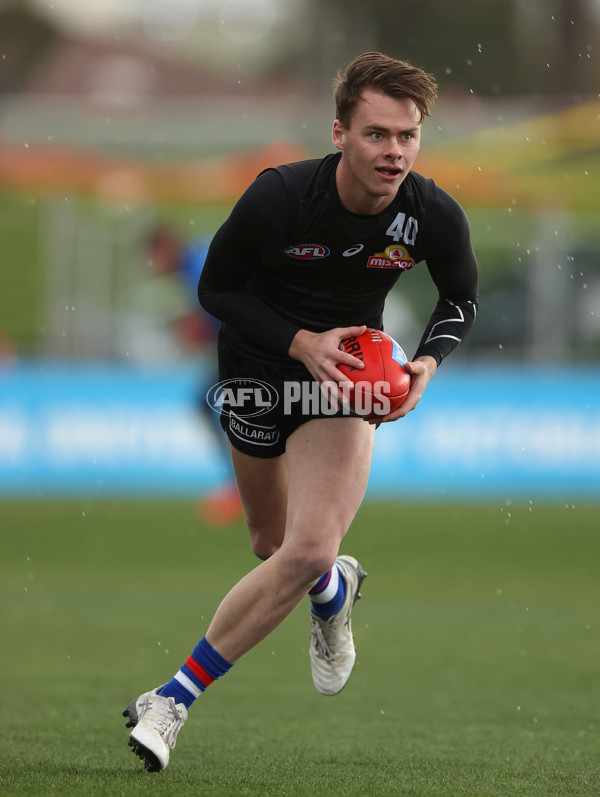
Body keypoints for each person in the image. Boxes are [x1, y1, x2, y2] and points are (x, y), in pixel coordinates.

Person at [122, 51, 479, 772]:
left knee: (308, 545)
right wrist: (299, 340)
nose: (395, 151)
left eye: (408, 135)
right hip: (256, 369)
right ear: (341, 132)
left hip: (343, 384)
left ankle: (173, 697)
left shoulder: (430, 212)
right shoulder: (280, 197)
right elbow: (216, 293)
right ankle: (333, 587)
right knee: (271, 545)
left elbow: (461, 297)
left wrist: (425, 364)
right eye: (378, 134)